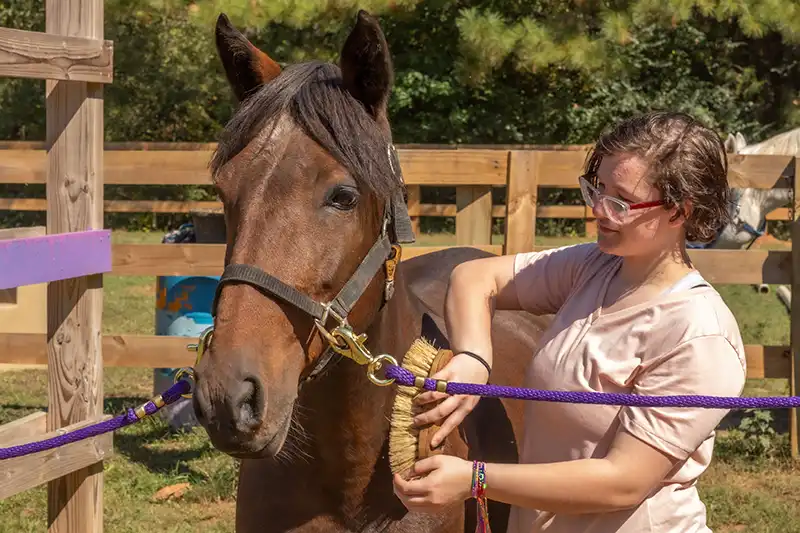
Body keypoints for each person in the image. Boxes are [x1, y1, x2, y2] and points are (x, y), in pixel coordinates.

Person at [392, 111, 747, 533]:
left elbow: (623, 482)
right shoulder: (597, 266)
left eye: (621, 201)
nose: (598, 209)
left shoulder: (699, 335)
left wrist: (475, 479)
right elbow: (474, 276)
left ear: (679, 211)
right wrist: (473, 358)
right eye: (596, 190)